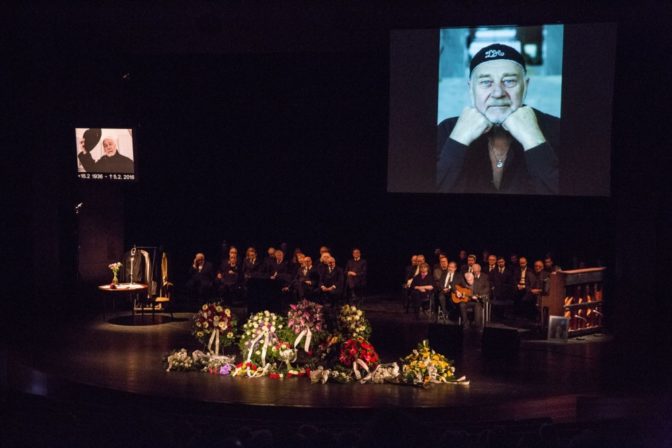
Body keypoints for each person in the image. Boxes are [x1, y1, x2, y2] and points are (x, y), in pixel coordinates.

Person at [437, 43, 559, 194]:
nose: (498, 93)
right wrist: (458, 141)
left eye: (509, 81)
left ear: (525, 86)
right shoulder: (447, 130)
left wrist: (534, 139)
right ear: (471, 89)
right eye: (485, 82)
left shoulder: (557, 128)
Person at [436, 258, 462, 323]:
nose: (450, 268)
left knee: (451, 300)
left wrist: (450, 289)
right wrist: (443, 288)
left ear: (455, 268)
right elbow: (440, 283)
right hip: (443, 290)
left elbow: (458, 285)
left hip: (452, 292)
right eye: (449, 267)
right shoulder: (444, 274)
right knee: (441, 296)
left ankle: (451, 314)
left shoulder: (458, 275)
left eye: (452, 267)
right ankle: (444, 312)